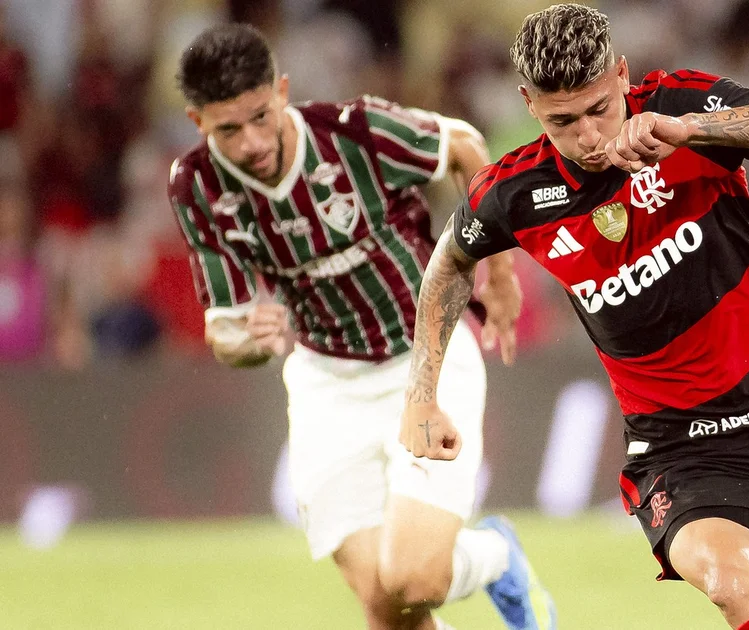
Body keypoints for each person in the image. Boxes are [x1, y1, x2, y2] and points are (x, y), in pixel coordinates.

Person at [400, 5, 749, 630]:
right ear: (528, 103)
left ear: (621, 75)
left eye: (599, 109)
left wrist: (693, 130)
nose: (587, 137)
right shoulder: (516, 192)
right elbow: (447, 263)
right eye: (563, 120)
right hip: (680, 449)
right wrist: (422, 395)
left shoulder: (679, 104)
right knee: (737, 585)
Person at [168, 23, 554, 630]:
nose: (252, 143)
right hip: (326, 381)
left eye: (261, 116)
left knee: (413, 579)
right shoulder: (195, 186)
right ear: (197, 123)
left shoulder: (353, 133)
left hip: (425, 356)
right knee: (385, 605)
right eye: (228, 130)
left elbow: (464, 145)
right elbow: (224, 329)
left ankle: (497, 556)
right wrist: (248, 340)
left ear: (283, 91)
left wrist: (500, 272)